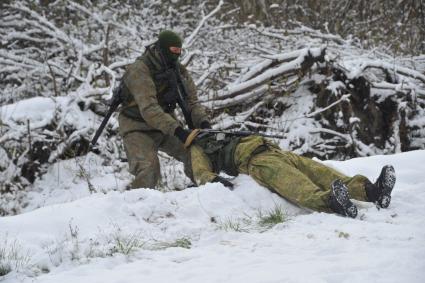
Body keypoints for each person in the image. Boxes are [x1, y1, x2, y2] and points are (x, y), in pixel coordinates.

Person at [184, 132, 396, 218]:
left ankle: (371, 191)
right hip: (258, 162)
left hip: (279, 153)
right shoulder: (197, 148)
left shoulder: (219, 135)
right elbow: (201, 173)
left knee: (323, 173)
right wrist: (218, 181)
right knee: (298, 185)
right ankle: (331, 203)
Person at [118, 30, 213, 189]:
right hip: (136, 127)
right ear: (161, 49)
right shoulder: (139, 70)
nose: (175, 55)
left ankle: (207, 188)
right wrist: (177, 131)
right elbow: (149, 109)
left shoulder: (179, 71)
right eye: (172, 51)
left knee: (196, 154)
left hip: (164, 125)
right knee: (149, 169)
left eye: (179, 51)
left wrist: (203, 123)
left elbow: (192, 102)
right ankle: (137, 205)